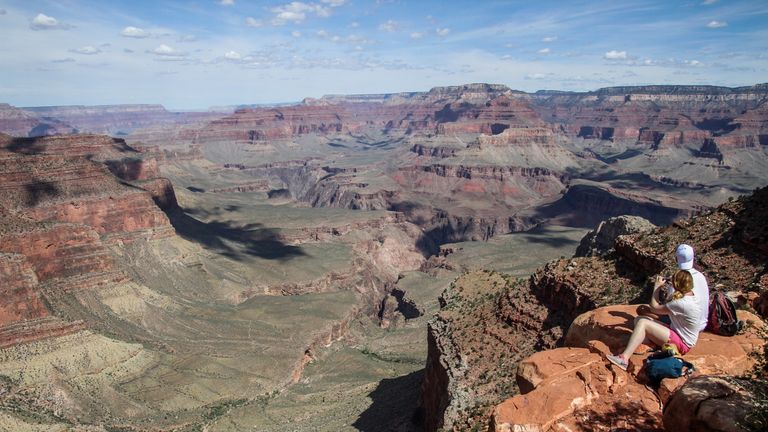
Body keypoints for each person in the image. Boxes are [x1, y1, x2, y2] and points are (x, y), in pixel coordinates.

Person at [606, 270, 701, 371]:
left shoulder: (682, 303)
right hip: (677, 333)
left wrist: (657, 287)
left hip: (682, 343)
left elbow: (654, 307)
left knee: (643, 323)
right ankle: (653, 344)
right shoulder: (691, 296)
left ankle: (624, 359)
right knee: (639, 319)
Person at [675, 244, 710, 332]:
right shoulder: (701, 276)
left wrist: (657, 287)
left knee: (644, 311)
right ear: (693, 258)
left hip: (686, 327)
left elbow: (668, 306)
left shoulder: (678, 278)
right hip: (702, 324)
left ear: (676, 259)